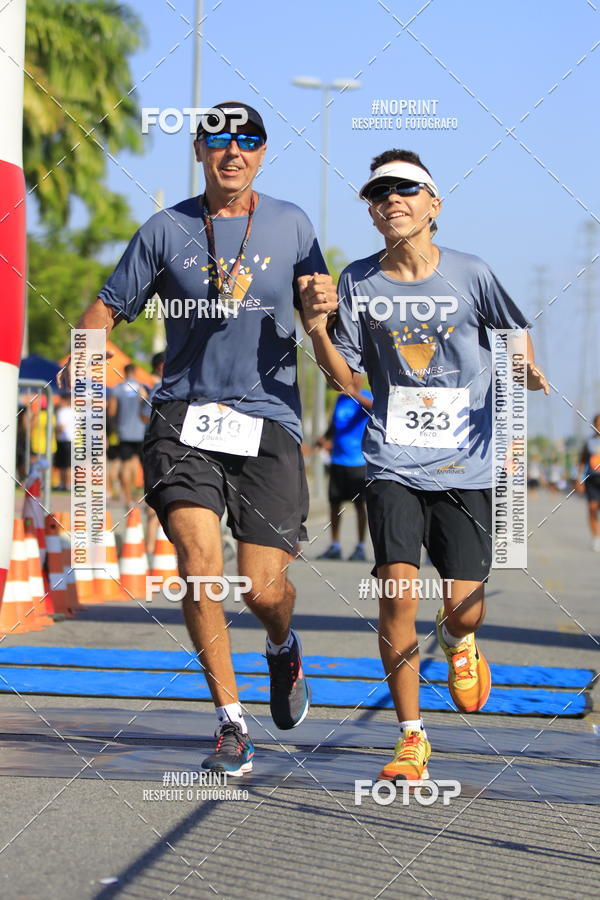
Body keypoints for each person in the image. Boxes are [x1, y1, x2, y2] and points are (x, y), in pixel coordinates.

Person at [61, 101, 336, 776]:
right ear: (198, 150)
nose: (233, 152)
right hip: (182, 419)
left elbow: (317, 310)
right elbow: (104, 309)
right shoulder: (165, 229)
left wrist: (326, 317)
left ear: (263, 153)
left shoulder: (293, 224)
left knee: (263, 588)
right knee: (199, 567)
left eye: (248, 142)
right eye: (220, 141)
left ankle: (282, 646)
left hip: (269, 423)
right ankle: (231, 724)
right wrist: (84, 354)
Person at [299, 148, 549, 783]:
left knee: (463, 606)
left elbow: (514, 334)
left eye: (406, 190)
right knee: (395, 599)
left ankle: (460, 638)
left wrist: (525, 367)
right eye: (379, 193)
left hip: (468, 464)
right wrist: (317, 331)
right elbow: (348, 379)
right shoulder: (358, 280)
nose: (391, 201)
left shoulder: (471, 272)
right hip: (392, 463)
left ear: (434, 204)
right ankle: (411, 738)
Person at [316, 373, 372, 561]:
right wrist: (323, 439)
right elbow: (335, 426)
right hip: (338, 460)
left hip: (358, 461)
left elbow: (374, 409)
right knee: (334, 504)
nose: (351, 379)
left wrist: (355, 394)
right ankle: (335, 545)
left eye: (355, 376)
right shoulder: (340, 399)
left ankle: (360, 547)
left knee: (359, 506)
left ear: (361, 379)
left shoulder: (366, 397)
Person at [107, 363, 148, 507]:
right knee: (138, 464)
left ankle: (128, 498)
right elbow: (147, 407)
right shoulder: (142, 388)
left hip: (124, 432)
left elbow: (111, 412)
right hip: (141, 431)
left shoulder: (117, 389)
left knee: (125, 464)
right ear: (135, 372)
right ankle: (141, 496)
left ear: (124, 372)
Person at [576, 413, 600, 552]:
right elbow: (581, 461)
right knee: (592, 508)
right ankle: (596, 538)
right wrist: (578, 478)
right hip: (592, 479)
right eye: (597, 424)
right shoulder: (589, 443)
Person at [53, 391, 73, 490]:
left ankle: (64, 484)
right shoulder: (75, 411)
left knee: (64, 464)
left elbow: (60, 426)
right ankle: (66, 484)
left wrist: (54, 433)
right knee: (66, 464)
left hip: (64, 440)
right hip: (72, 440)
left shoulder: (62, 411)